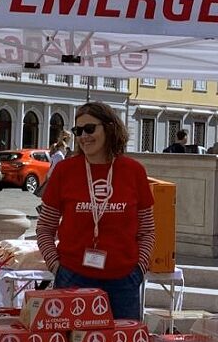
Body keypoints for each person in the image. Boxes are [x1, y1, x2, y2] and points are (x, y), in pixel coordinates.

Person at [36, 101, 155, 321]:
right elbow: (44, 227)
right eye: (78, 131)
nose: (83, 136)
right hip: (73, 278)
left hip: (123, 282)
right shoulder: (65, 171)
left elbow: (147, 230)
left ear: (109, 128)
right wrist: (56, 267)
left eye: (90, 129)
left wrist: (139, 269)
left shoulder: (133, 171)